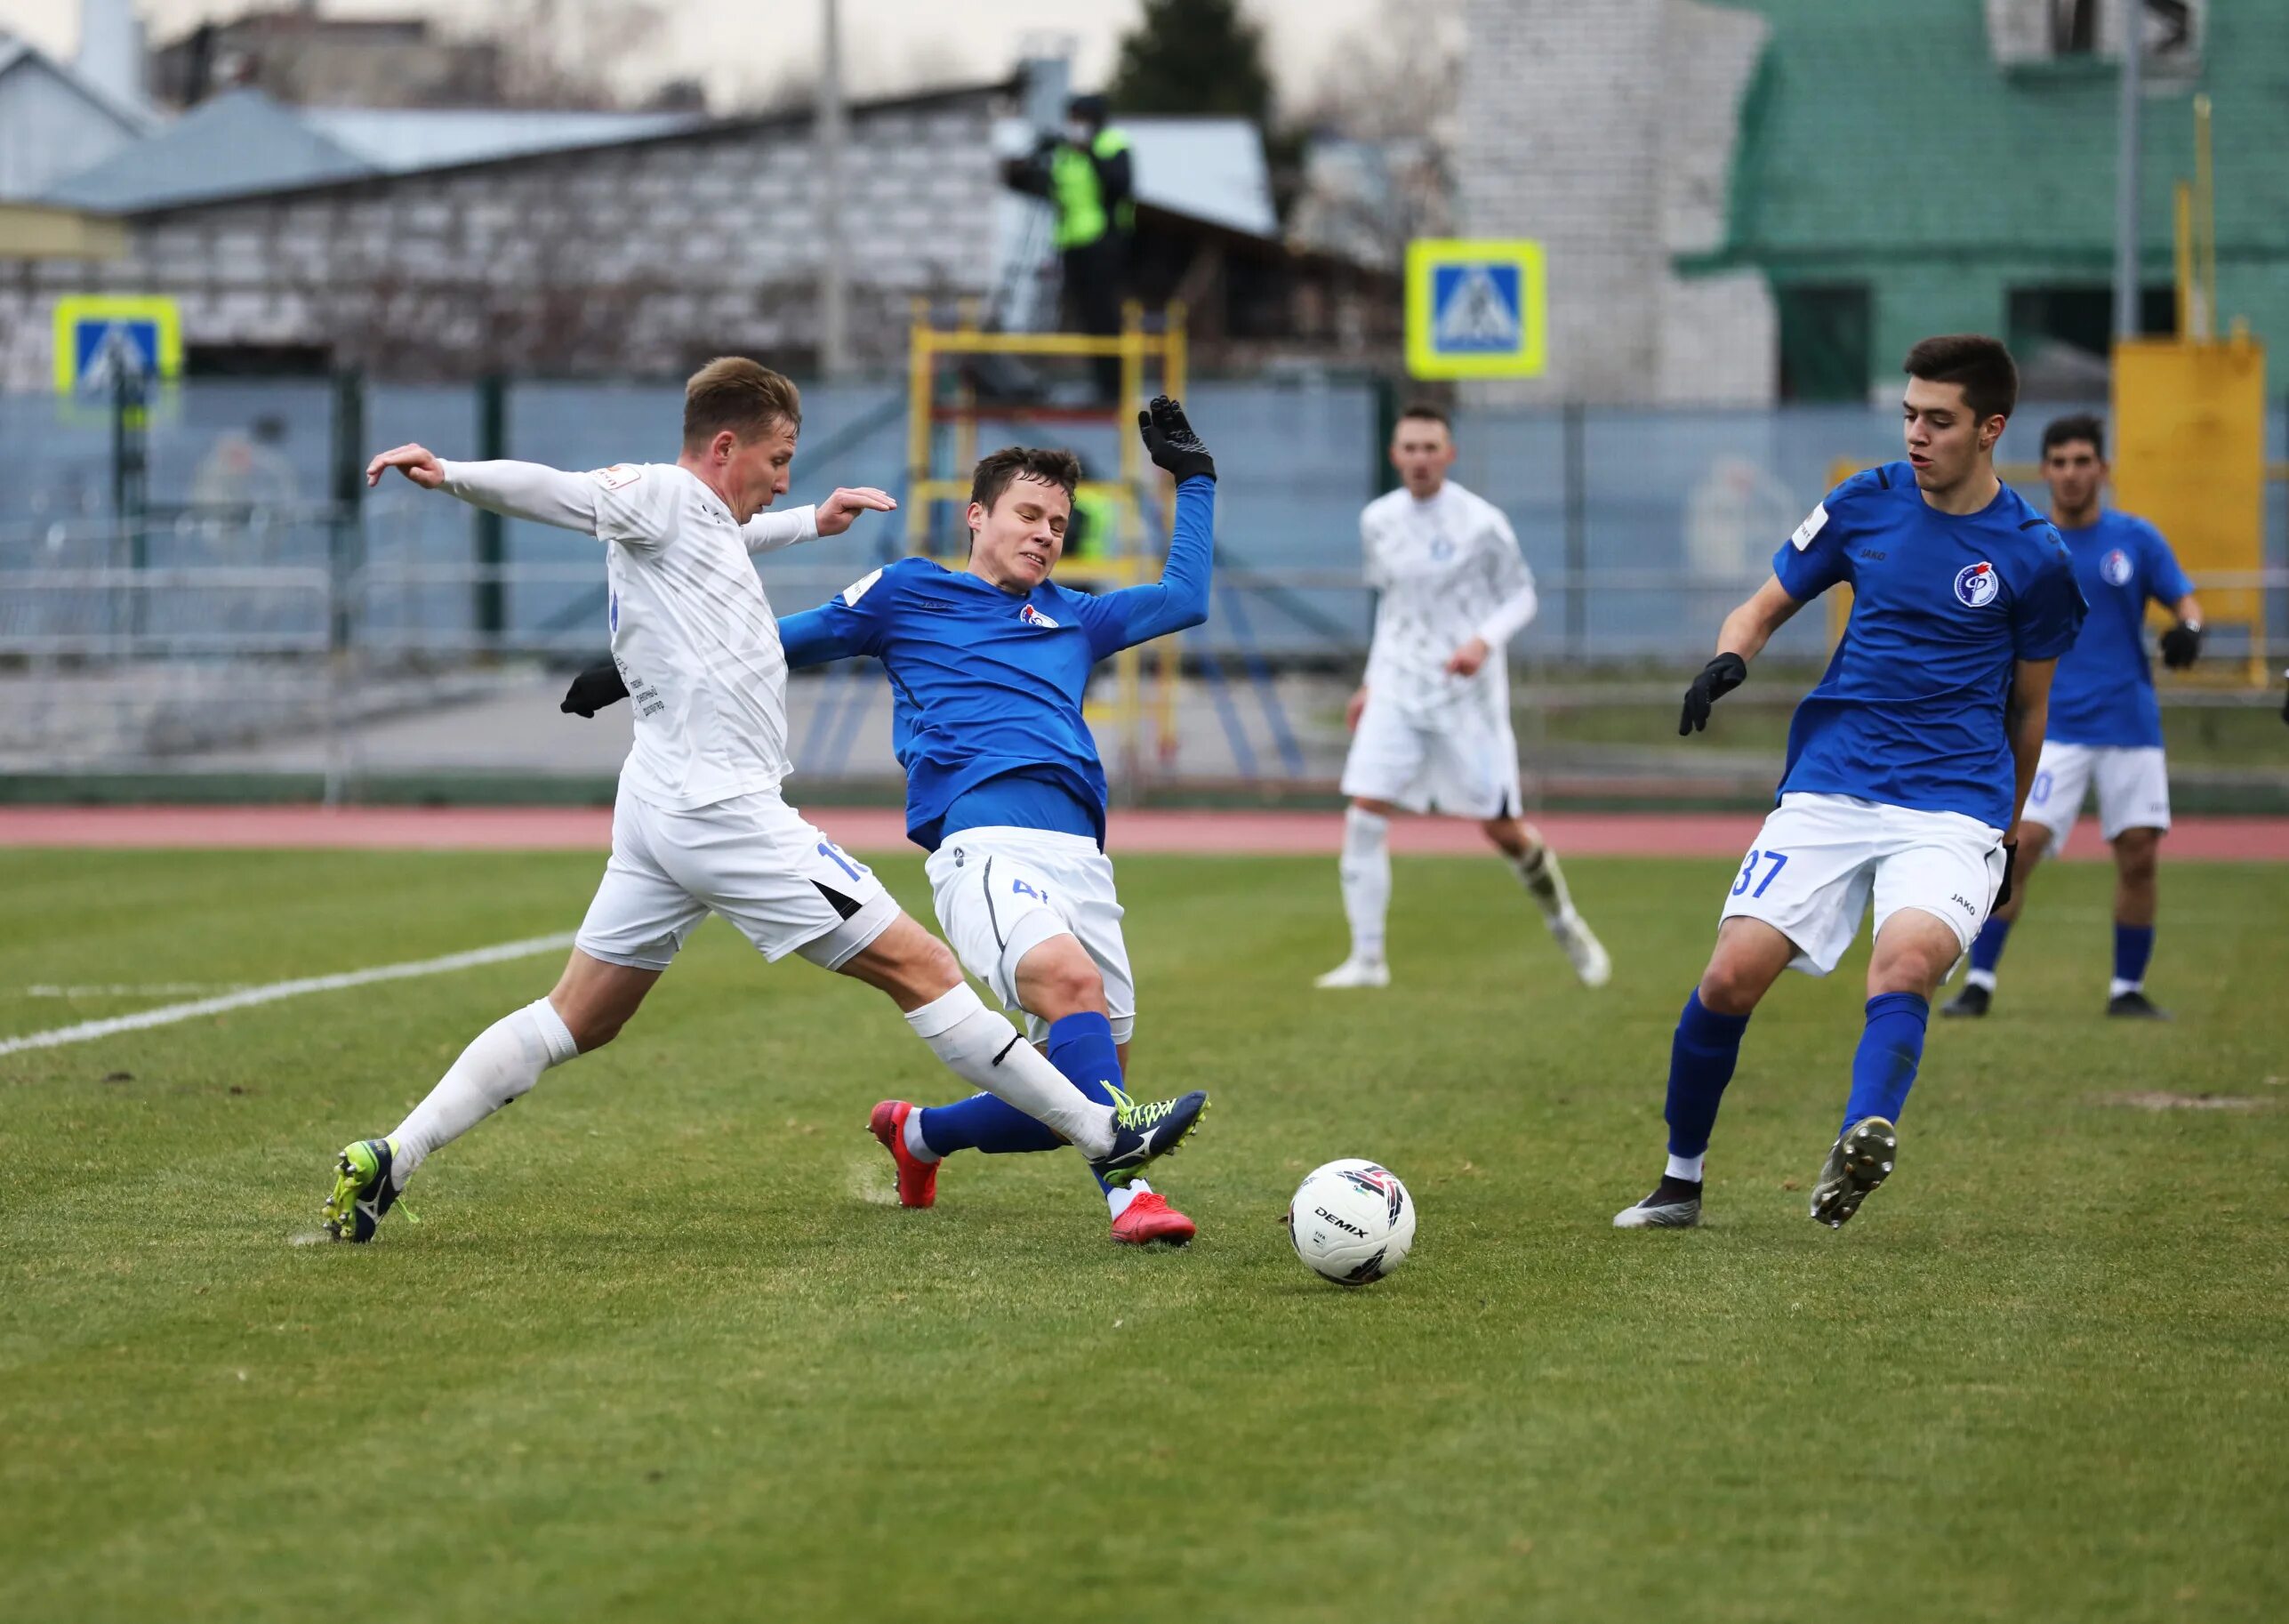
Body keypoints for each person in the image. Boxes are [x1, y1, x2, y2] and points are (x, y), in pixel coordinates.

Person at [321, 358, 1207, 1243]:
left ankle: (391, 1153)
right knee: (925, 969)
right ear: (724, 445)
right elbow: (568, 493)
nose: (786, 473)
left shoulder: (705, 518)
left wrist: (805, 522)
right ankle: (1107, 1136)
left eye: (1060, 521)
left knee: (579, 1015)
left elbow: (720, 549)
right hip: (728, 809)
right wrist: (453, 475)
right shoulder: (665, 495)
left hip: (662, 801)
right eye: (779, 458)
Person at [565, 399, 1217, 1246]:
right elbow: (770, 640)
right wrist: (626, 666)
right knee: (1073, 995)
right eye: (1028, 514)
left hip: (1084, 865)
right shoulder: (911, 591)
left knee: (1089, 1095)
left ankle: (918, 1133)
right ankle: (1133, 1200)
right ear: (976, 517)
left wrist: (1194, 479)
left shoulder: (1077, 618)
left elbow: (1185, 599)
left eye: (1058, 522)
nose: (1045, 533)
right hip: (985, 849)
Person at [1613, 335, 2085, 1232]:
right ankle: (1679, 1179)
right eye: (1908, 413)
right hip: (1833, 782)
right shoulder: (1864, 502)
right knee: (1727, 977)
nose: (1916, 433)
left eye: (1938, 420)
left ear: (1991, 429)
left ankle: (1860, 1138)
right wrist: (1727, 658)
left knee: (1904, 961)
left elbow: (2030, 712)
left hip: (1953, 804)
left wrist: (2011, 833)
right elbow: (1761, 604)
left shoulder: (2034, 555)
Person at [1315, 402, 1610, 991]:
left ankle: (1565, 921)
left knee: (1503, 829)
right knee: (1364, 811)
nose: (1420, 458)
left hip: (1464, 697)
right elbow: (1392, 607)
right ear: (1394, 455)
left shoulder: (1482, 522)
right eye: (1410, 447)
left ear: (1449, 454)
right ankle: (1368, 959)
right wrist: (1372, 681)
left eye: (1431, 447)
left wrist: (1482, 640)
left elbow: (1522, 596)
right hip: (1399, 685)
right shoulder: (1378, 519)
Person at [1942, 414, 2203, 1020]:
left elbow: (2184, 601)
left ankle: (2126, 991)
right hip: (2052, 726)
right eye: (2059, 462)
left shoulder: (2136, 539)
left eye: (2083, 461)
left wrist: (2189, 629)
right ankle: (1978, 981)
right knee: (2021, 846)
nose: (2071, 473)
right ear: (2045, 470)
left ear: (2102, 469)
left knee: (2138, 853)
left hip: (2129, 723)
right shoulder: (2027, 542)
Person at [1005, 92, 1134, 399]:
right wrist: (1027, 161)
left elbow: (1119, 185)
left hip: (1104, 242)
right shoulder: (1065, 154)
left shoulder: (1112, 144)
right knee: (1086, 316)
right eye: (1072, 120)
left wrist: (1088, 152)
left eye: (1082, 119)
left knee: (1104, 316)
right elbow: (1043, 187)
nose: (1076, 126)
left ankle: (1114, 387)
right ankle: (1100, 384)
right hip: (1072, 244)